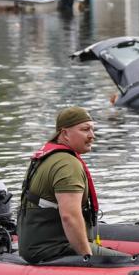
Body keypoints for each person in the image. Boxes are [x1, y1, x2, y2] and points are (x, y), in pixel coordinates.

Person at [18, 106, 129, 263]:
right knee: (130, 263)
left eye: (92, 129)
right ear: (65, 133)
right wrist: (88, 258)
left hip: (36, 246)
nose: (92, 136)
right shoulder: (67, 164)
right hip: (54, 249)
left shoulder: (48, 157)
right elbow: (69, 216)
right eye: (85, 130)